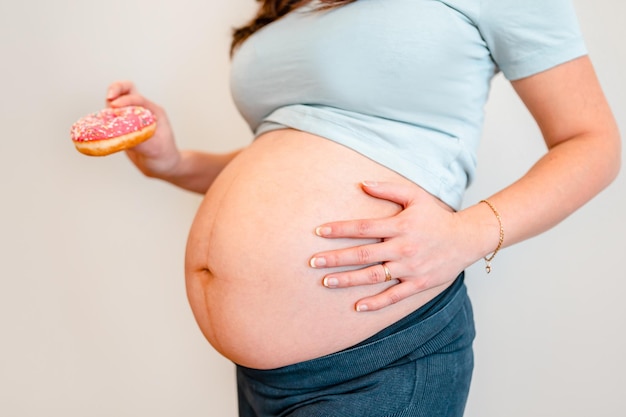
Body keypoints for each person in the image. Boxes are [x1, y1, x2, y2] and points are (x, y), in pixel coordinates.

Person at [105, 0, 621, 415]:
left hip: (380, 360)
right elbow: (292, 156)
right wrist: (172, 162)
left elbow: (592, 141)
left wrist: (472, 233)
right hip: (261, 379)